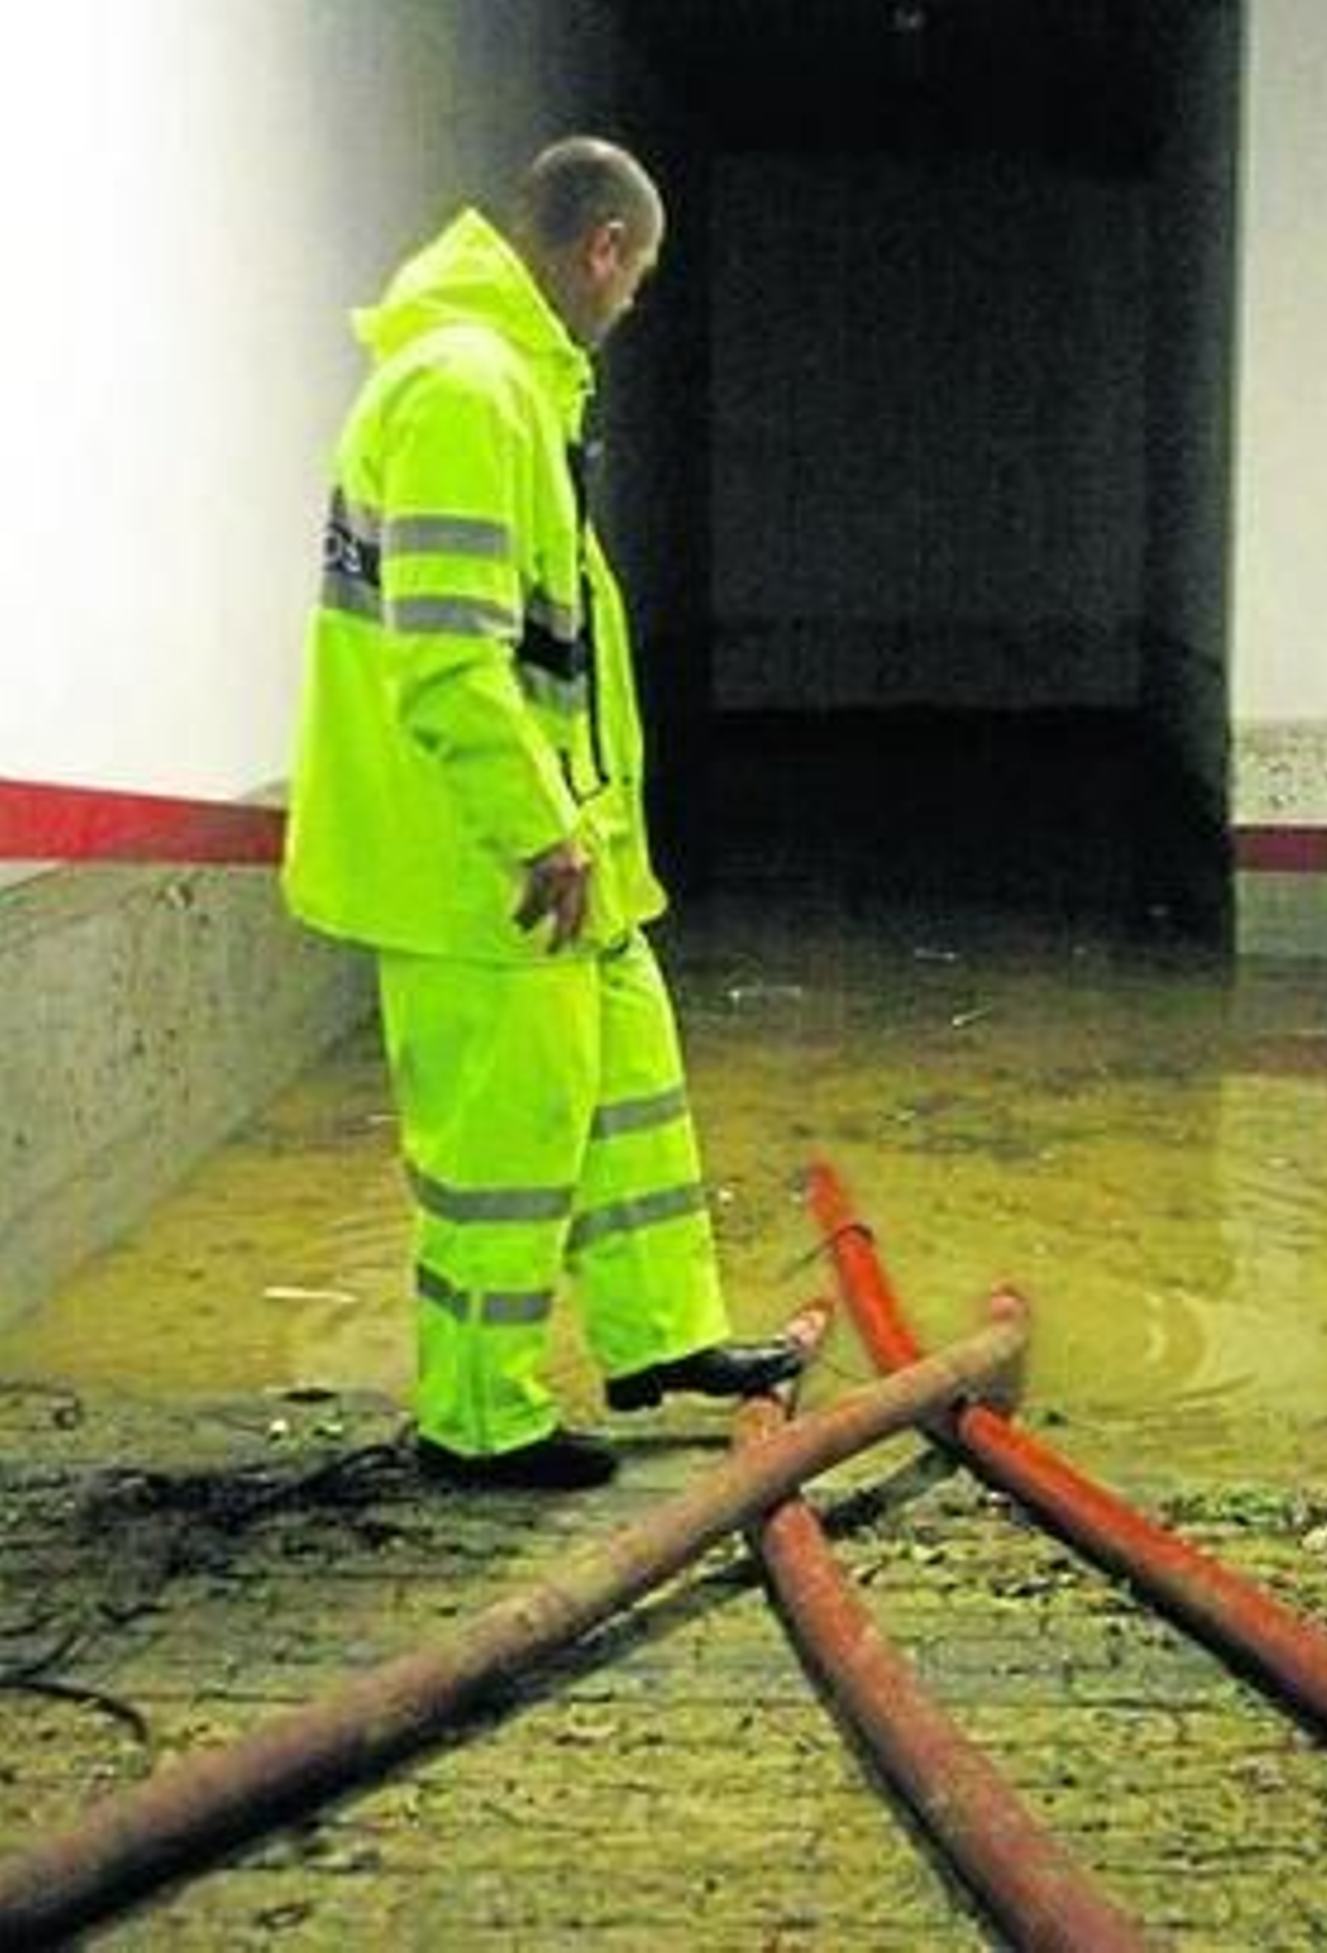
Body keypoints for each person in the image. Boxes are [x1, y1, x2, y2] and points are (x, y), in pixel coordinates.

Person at [282, 137, 803, 1490]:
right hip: (479, 863)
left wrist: (594, 839)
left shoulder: (510, 383)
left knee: (627, 1081)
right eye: (639, 277)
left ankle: (657, 1335)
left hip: (563, 852)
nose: (633, 306)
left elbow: (541, 652)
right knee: (502, 1144)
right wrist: (538, 831)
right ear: (604, 251)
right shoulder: (465, 390)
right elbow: (449, 656)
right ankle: (477, 1414)